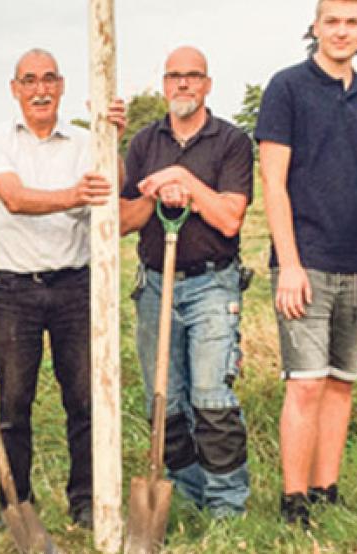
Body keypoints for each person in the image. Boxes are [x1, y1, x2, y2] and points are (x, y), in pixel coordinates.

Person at [254, 0, 357, 528]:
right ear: (315, 27)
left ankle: (325, 490)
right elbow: (272, 181)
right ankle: (293, 501)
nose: (342, 32)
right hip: (308, 263)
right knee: (306, 383)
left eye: (352, 22)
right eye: (332, 22)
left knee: (341, 382)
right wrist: (289, 264)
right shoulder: (286, 87)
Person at [0, 48, 125, 529]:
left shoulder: (86, 142)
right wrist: (73, 196)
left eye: (48, 80)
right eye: (29, 81)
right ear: (14, 89)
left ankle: (84, 500)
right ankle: (15, 503)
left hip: (74, 287)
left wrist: (113, 140)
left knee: (84, 399)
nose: (39, 89)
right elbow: (15, 198)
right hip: (13, 291)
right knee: (14, 402)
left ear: (61, 87)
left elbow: (114, 193)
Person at [120, 46, 253, 519]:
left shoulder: (232, 141)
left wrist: (186, 184)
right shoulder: (142, 143)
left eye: (192, 76)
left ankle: (225, 506)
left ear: (207, 84)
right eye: (174, 76)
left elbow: (229, 218)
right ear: (163, 85)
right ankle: (186, 493)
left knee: (211, 398)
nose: (182, 84)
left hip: (212, 285)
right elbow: (123, 218)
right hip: (156, 284)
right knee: (167, 400)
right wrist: (158, 195)